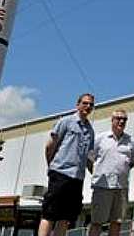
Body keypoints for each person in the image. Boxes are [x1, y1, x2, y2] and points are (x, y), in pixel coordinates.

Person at [39, 93, 96, 236]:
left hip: (77, 179)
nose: (88, 106)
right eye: (85, 103)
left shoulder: (90, 131)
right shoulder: (66, 121)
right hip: (60, 174)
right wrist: (52, 167)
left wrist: (96, 174)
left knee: (66, 218)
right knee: (49, 214)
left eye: (91, 104)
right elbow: (50, 146)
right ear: (77, 104)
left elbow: (89, 158)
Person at [89, 109, 134, 236]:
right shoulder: (100, 138)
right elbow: (89, 159)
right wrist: (97, 173)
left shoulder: (131, 141)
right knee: (96, 222)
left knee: (117, 222)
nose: (121, 121)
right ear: (112, 120)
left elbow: (132, 162)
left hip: (121, 188)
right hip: (102, 186)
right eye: (118, 118)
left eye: (124, 119)